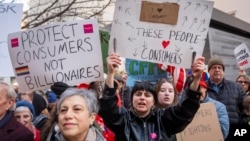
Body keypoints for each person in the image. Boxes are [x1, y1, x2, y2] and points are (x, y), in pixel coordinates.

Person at [99, 53, 204, 141]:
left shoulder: (163, 120)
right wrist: (111, 73)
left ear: (154, 101)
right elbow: (108, 106)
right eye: (138, 94)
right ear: (131, 100)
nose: (142, 98)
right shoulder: (123, 120)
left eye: (147, 95)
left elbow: (186, 110)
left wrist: (196, 79)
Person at [206, 56, 246, 141]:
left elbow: (245, 108)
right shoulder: (201, 88)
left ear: (223, 71)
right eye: (214, 67)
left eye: (219, 67)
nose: (217, 69)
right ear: (209, 71)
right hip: (209, 134)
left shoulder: (236, 87)